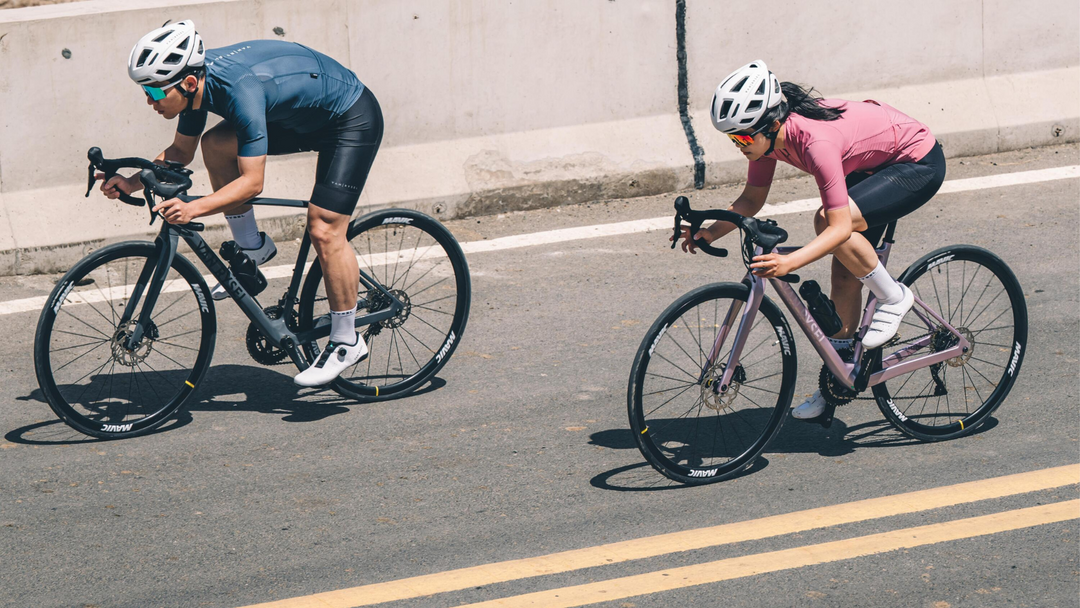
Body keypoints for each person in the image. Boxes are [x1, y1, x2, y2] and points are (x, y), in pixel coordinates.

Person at [99, 20, 383, 387]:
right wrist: (131, 182)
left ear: (186, 84)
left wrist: (194, 208)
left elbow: (252, 183)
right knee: (215, 145)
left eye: (154, 92)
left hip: (349, 118)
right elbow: (180, 153)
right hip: (298, 115)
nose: (149, 101)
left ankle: (347, 340)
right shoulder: (194, 85)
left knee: (324, 228)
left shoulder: (238, 90)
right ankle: (253, 249)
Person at [677, 60, 945, 420]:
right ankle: (838, 381)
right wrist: (708, 231)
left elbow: (836, 228)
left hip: (914, 163)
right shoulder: (767, 141)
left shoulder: (815, 142)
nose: (738, 145)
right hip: (867, 167)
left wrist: (792, 262)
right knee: (845, 275)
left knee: (827, 221)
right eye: (732, 137)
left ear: (772, 124)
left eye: (742, 136)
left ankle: (895, 297)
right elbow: (752, 199)